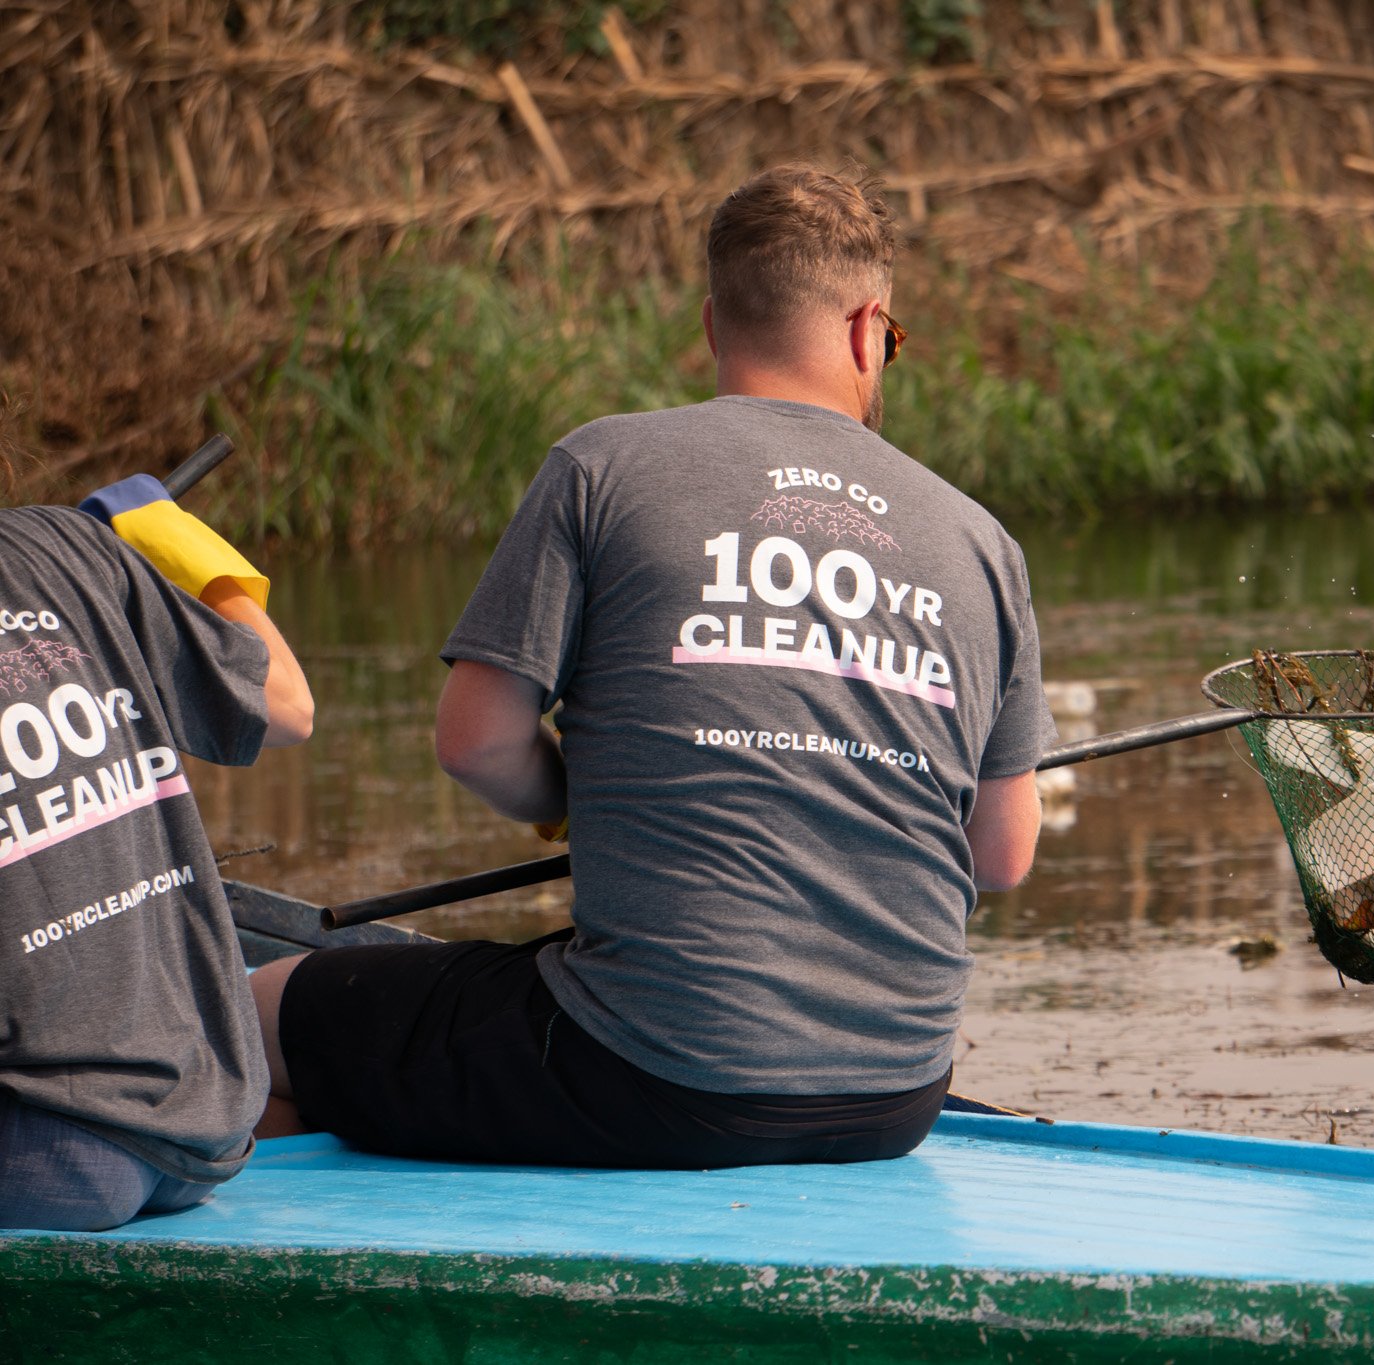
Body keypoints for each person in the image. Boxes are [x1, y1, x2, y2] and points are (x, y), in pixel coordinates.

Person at [252, 165, 1054, 1169]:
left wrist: (574, 799)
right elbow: (1000, 857)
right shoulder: (982, 545)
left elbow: (475, 742)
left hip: (647, 1073)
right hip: (895, 1101)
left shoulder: (602, 468)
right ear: (865, 328)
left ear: (714, 324)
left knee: (252, 1018)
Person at [0, 461, 314, 1231]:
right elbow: (289, 705)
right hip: (207, 1125)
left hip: (50, 1153)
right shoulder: (71, 546)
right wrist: (169, 539)